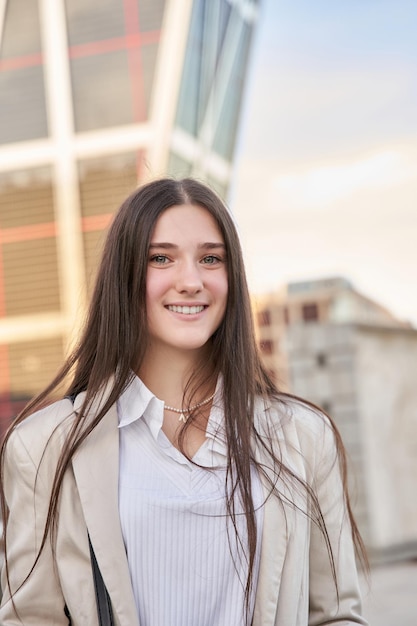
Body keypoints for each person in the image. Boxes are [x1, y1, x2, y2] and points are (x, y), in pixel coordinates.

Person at [0, 177, 368, 625]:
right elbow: (31, 617)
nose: (191, 281)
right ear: (125, 277)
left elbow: (335, 614)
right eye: (161, 258)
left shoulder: (304, 437)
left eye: (211, 258)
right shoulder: (44, 447)